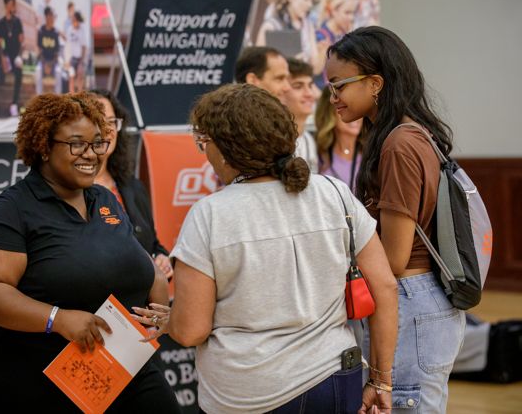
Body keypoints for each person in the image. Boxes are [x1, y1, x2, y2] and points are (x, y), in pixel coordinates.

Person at [163, 83, 398, 413]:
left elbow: (190, 330)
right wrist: (380, 380)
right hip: (335, 378)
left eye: (205, 142)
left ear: (227, 148)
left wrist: (170, 321)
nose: (205, 152)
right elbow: (385, 286)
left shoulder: (210, 214)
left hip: (248, 393)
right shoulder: (334, 193)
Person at [0, 92, 180, 413]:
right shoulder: (11, 210)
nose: (90, 154)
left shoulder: (104, 200)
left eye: (97, 143)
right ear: (44, 147)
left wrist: (156, 292)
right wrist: (57, 319)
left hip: (119, 360)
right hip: (39, 375)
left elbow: (137, 263)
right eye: (77, 144)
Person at [326, 26, 466, 412]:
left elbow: (394, 259)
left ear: (375, 83)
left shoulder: (399, 144)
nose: (333, 98)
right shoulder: (409, 135)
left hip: (409, 302)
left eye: (339, 85)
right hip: (418, 302)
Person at [90, 88, 172, 276]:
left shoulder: (131, 186)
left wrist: (161, 258)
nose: (108, 129)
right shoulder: (68, 191)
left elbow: (152, 243)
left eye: (112, 122)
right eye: (98, 121)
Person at [256, 0, 324, 74]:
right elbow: (258, 61)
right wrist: (289, 62)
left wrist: (322, 53)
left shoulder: (308, 26)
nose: (309, 4)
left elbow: (315, 67)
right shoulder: (272, 25)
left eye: (311, 0)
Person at [315, 85, 363, 189]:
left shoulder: (373, 152)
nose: (354, 116)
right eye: (345, 107)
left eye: (357, 107)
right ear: (329, 113)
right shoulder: (316, 153)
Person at [283, 58, 319, 173]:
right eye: (298, 86)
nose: (309, 93)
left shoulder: (309, 139)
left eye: (310, 85)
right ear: (281, 92)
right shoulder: (274, 142)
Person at [0, 0, 23, 117]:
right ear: (7, 4)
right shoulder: (0, 23)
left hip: (16, 55)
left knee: (18, 71)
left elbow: (22, 42)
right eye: (12, 4)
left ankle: (14, 104)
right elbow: (0, 44)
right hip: (6, 56)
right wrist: (2, 59)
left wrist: (20, 56)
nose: (14, 6)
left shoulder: (17, 22)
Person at [35, 6, 62, 95]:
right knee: (38, 71)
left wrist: (50, 65)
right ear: (47, 16)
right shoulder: (41, 31)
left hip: (53, 63)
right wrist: (45, 64)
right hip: (43, 62)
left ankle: (58, 101)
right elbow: (39, 50)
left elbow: (56, 53)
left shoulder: (55, 32)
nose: (53, 18)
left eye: (54, 16)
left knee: (58, 72)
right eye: (52, 16)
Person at [65, 11, 87, 93]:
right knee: (71, 76)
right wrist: (67, 60)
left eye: (74, 20)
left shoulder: (82, 30)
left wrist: (81, 61)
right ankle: (72, 96)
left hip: (79, 58)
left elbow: (84, 47)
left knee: (80, 75)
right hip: (71, 58)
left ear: (78, 20)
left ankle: (79, 95)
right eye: (72, 20)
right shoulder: (69, 29)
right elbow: (67, 45)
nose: (73, 21)